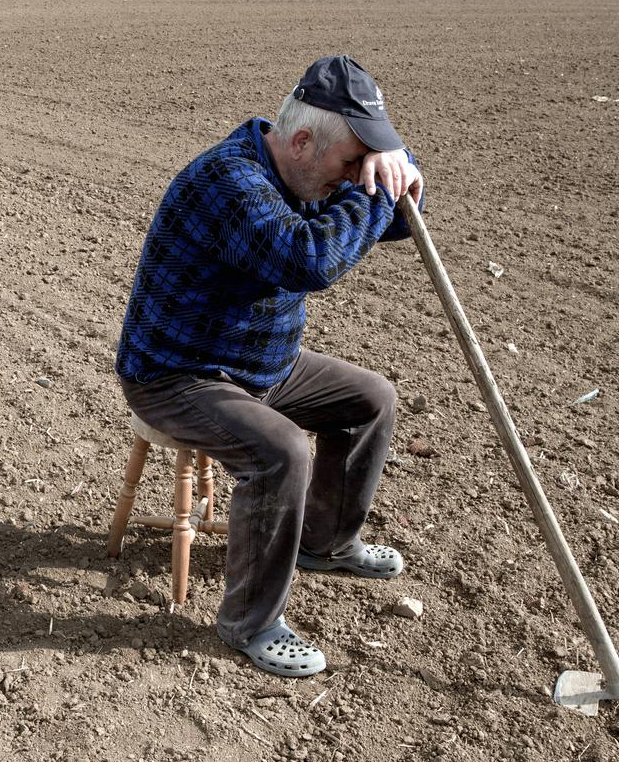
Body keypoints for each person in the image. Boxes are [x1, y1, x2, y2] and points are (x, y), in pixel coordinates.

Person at [114, 55, 424, 678]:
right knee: (282, 450)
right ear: (304, 140)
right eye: (350, 165)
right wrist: (376, 195)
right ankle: (249, 623)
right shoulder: (229, 183)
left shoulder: (306, 170)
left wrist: (394, 177)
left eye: (362, 166)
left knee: (370, 399)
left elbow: (384, 226)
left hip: (258, 365)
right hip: (178, 374)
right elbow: (311, 261)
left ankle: (323, 543)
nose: (350, 181)